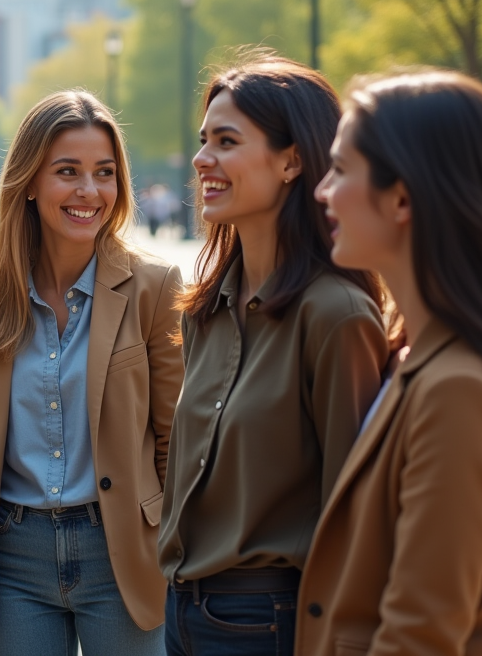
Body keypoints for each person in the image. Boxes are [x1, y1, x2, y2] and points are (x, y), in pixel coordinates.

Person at [305, 71, 482, 656]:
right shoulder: (422, 355)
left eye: (341, 169)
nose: (322, 191)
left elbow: (419, 636)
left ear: (404, 196)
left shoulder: (459, 387)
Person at [158, 54, 390, 656]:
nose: (202, 159)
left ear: (292, 160)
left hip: (271, 622)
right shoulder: (204, 310)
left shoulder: (334, 315)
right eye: (203, 140)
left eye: (227, 141)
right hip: (181, 612)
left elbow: (358, 518)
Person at [0, 92, 183, 656]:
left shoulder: (153, 288)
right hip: (14, 561)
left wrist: (172, 553)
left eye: (104, 173)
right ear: (29, 182)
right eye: (68, 172)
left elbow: (172, 442)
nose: (90, 191)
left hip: (123, 553)